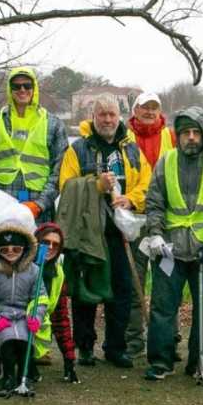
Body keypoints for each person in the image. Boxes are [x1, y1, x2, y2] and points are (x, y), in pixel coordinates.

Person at [139, 108, 203, 381]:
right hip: (169, 250)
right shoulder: (166, 162)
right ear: (178, 136)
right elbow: (154, 203)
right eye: (185, 133)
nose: (191, 138)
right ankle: (161, 362)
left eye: (196, 132)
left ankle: (199, 362)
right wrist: (155, 233)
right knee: (162, 306)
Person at [58, 94, 151, 369]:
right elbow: (66, 188)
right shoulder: (78, 149)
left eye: (112, 114)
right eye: (102, 115)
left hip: (120, 232)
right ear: (93, 117)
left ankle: (115, 347)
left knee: (121, 291)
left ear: (119, 116)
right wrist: (94, 185)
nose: (108, 120)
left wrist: (131, 199)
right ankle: (84, 347)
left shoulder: (132, 150)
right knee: (86, 291)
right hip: (88, 231)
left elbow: (146, 183)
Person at [0, 67, 67, 222]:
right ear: (10, 89)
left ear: (34, 88)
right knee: (0, 245)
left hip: (37, 203)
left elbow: (60, 172)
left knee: (38, 246)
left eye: (27, 85)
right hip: (1, 201)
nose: (22, 89)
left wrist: (40, 204)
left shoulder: (54, 124)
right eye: (16, 86)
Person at [124, 92, 177, 357]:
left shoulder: (172, 136)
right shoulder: (125, 137)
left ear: (160, 111)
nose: (149, 112)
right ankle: (135, 339)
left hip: (166, 222)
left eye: (154, 108)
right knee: (136, 281)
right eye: (144, 107)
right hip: (135, 219)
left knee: (167, 279)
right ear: (135, 110)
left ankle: (167, 337)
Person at [0, 218, 50, 397]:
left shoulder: (33, 271)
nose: (10, 253)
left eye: (16, 249)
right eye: (4, 250)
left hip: (24, 316)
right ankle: (8, 376)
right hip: (1, 316)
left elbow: (40, 297)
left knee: (24, 339)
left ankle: (25, 376)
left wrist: (35, 316)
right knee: (7, 339)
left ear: (24, 249)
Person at [34, 222, 79, 383]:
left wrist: (69, 358)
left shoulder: (58, 273)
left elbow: (61, 318)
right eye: (46, 243)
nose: (50, 247)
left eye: (56, 244)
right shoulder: (21, 265)